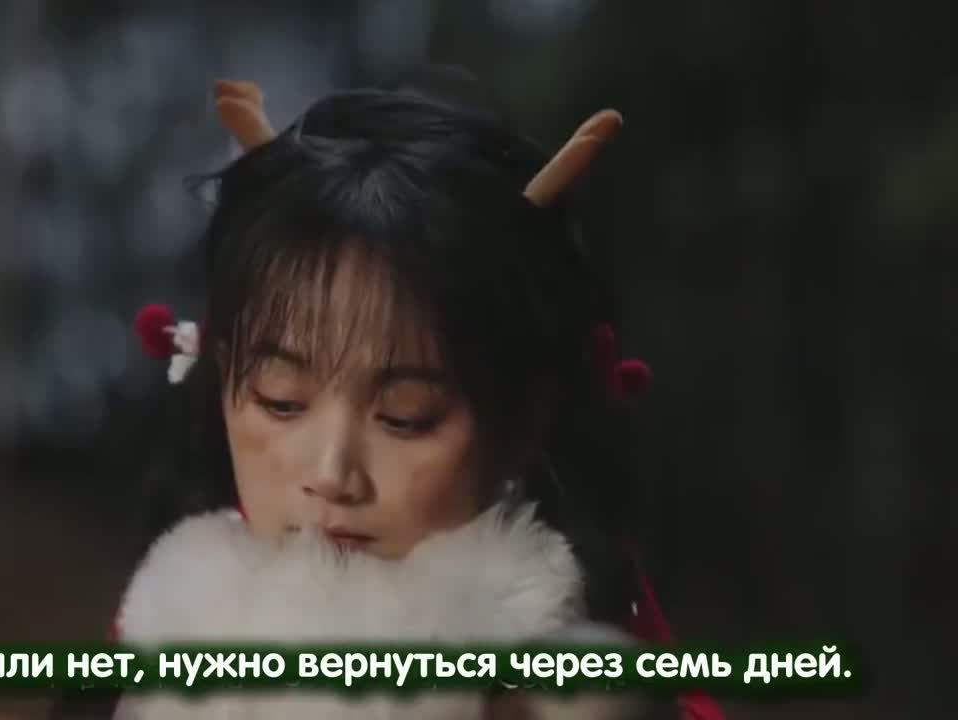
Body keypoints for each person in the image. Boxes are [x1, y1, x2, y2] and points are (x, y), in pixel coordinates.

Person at [110, 67, 724, 719]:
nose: (332, 475)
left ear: (524, 420)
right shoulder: (169, 630)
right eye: (281, 400)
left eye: (405, 417)